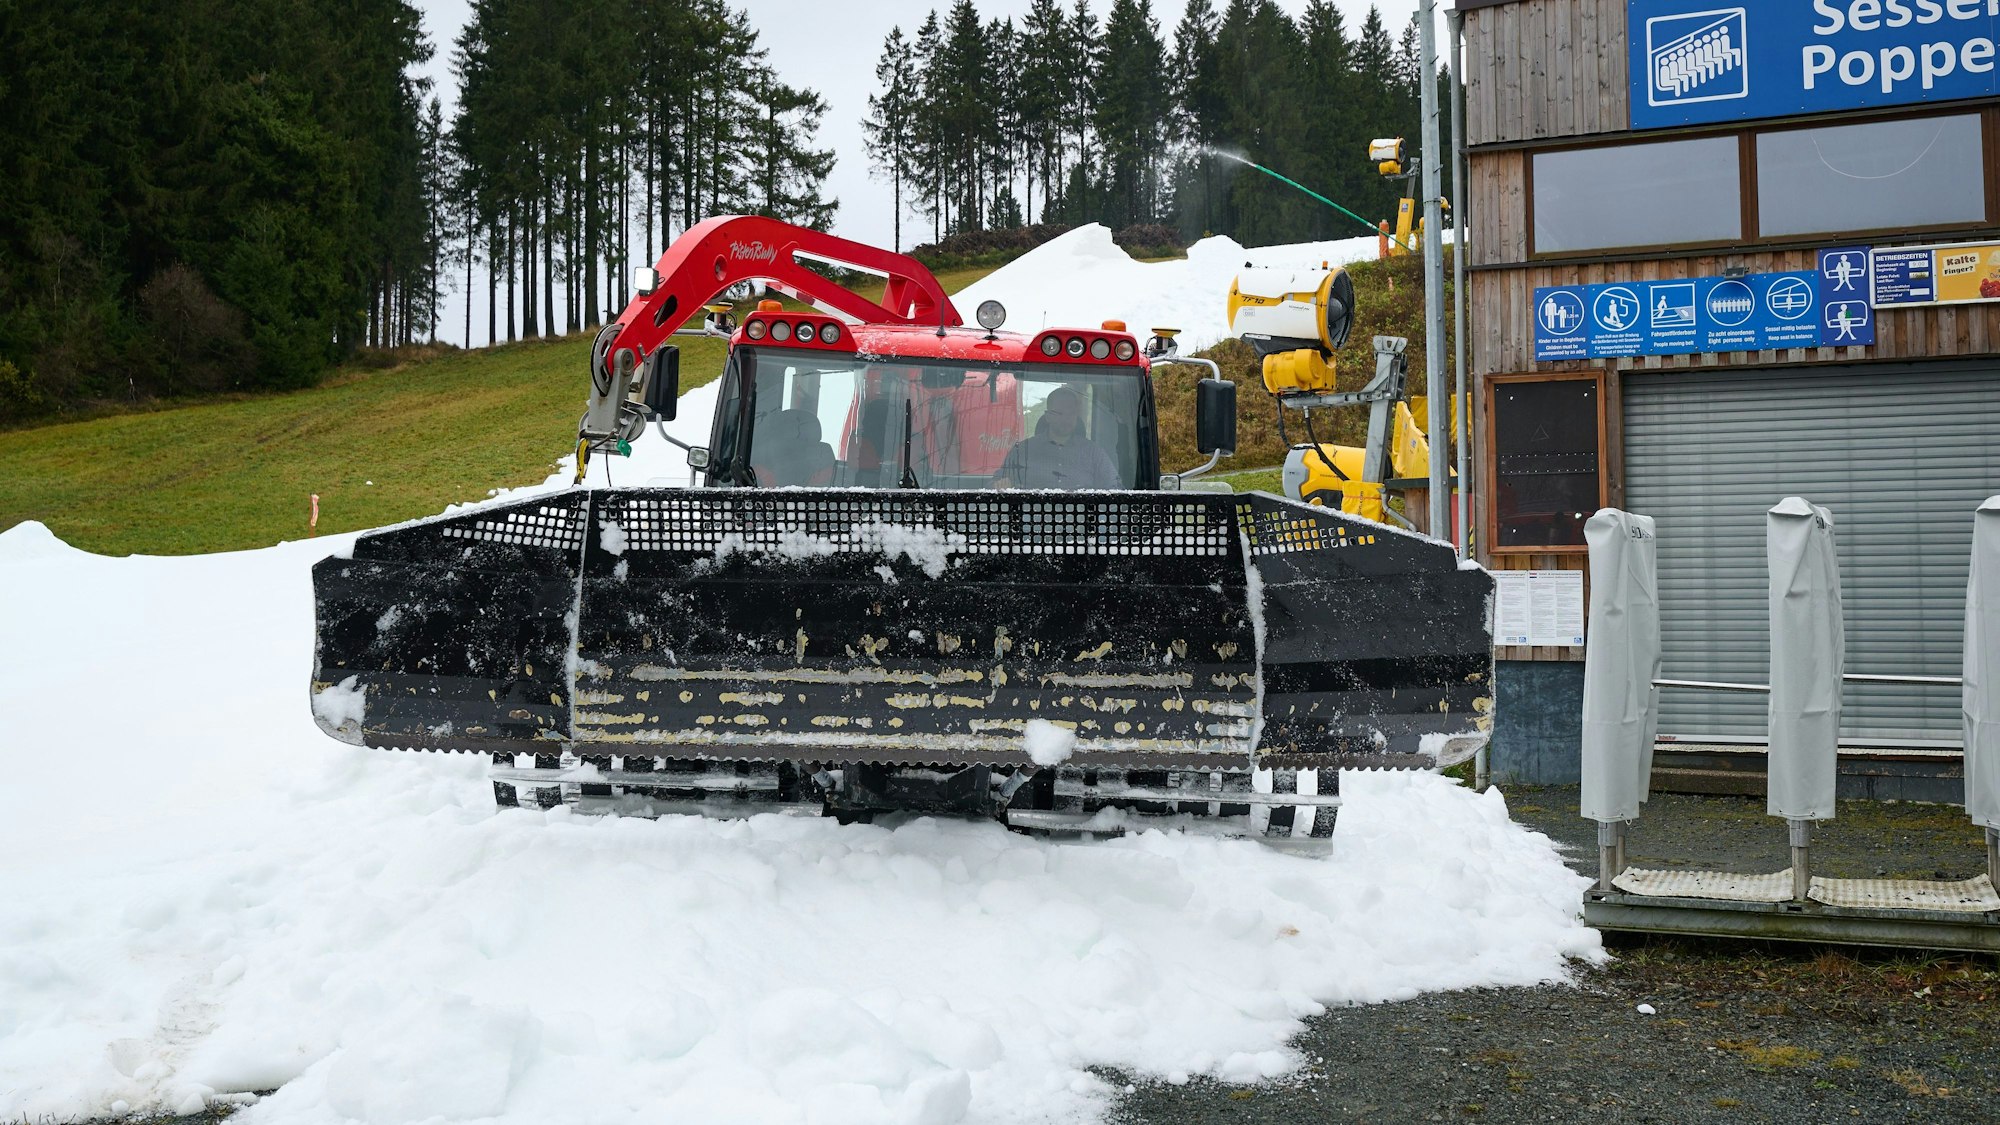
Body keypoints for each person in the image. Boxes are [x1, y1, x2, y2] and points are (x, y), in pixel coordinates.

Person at [991, 387, 1119, 490]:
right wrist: (1001, 484)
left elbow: (1116, 489)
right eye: (1060, 413)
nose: (1066, 419)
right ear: (1048, 416)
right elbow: (995, 484)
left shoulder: (1094, 453)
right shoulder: (1022, 451)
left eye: (1071, 413)